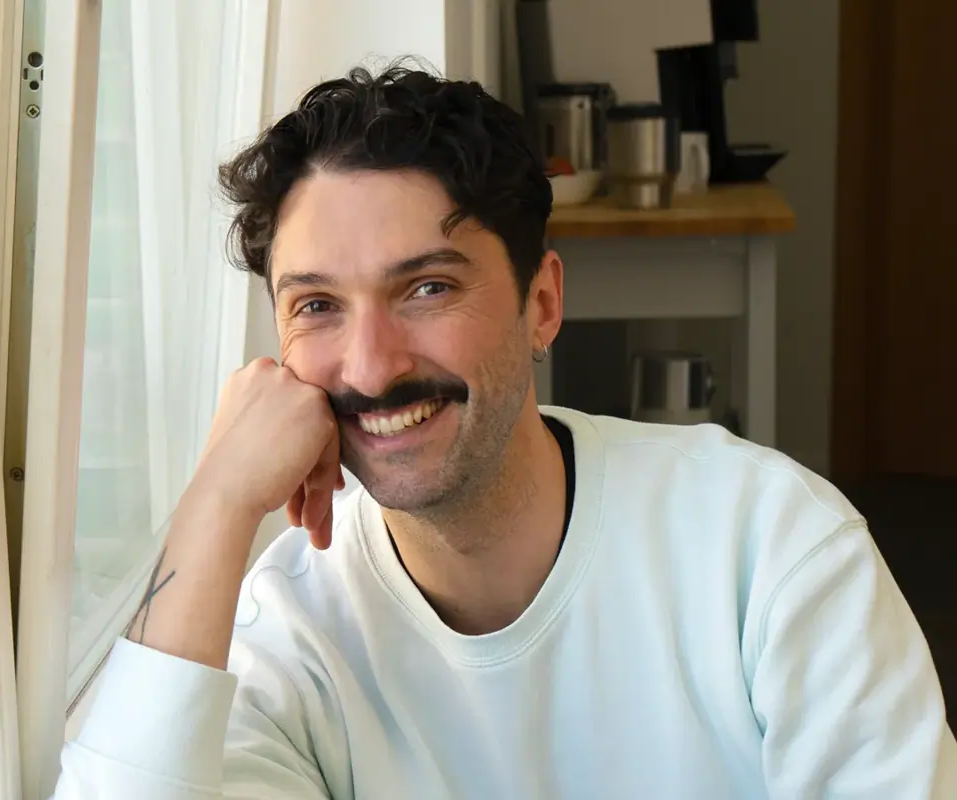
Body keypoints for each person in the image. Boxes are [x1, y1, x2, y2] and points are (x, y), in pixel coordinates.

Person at [52, 63, 957, 799]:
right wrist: (214, 504)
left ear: (544, 303)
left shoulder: (771, 550)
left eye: (428, 288)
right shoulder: (289, 634)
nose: (369, 367)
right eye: (317, 306)